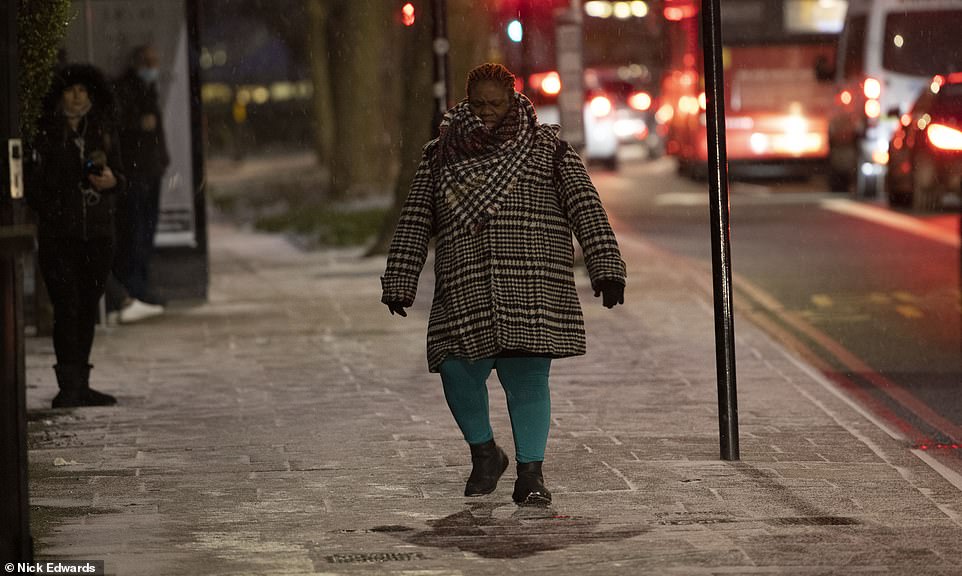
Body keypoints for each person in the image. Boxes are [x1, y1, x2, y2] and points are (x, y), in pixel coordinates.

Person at [381, 63, 626, 507]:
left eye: (495, 103)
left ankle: (531, 475)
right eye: (478, 104)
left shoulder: (548, 149)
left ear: (512, 100)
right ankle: (485, 454)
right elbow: (416, 219)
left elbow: (586, 207)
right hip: (465, 282)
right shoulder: (441, 155)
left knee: (526, 377)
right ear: (466, 101)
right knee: (455, 369)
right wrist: (400, 277)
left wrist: (606, 267)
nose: (486, 112)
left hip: (532, 282)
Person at [27, 64, 126, 408]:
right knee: (66, 306)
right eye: (70, 90)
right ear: (59, 96)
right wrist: (57, 207)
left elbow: (122, 175)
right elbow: (34, 186)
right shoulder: (46, 134)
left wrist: (113, 180)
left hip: (98, 234)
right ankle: (68, 385)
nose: (76, 97)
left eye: (82, 90)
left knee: (86, 307)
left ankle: (81, 383)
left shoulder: (102, 130)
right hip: (60, 237)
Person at [110, 45, 169, 323]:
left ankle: (140, 287)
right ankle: (134, 289)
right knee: (134, 232)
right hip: (137, 172)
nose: (153, 67)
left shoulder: (146, 89)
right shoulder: (126, 90)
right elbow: (123, 126)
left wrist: (162, 159)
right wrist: (137, 124)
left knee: (144, 231)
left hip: (148, 169)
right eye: (149, 62)